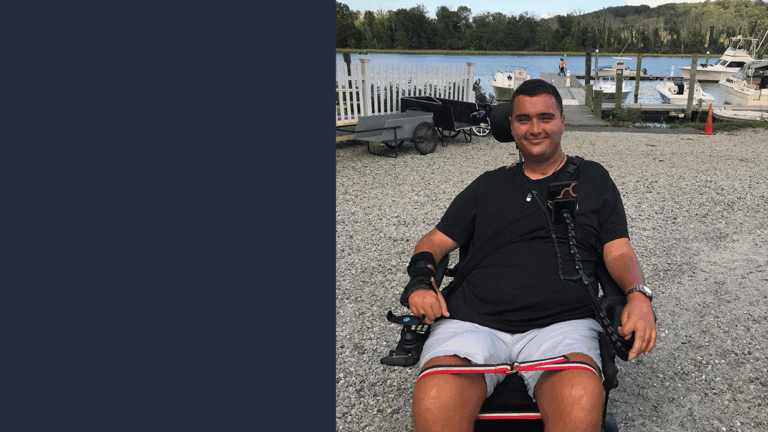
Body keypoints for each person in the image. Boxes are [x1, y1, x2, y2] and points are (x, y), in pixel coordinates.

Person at [400, 78, 657, 432]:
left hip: (561, 323)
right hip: (473, 320)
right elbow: (435, 241)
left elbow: (618, 251)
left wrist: (638, 295)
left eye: (545, 118)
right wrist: (420, 282)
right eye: (523, 119)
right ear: (511, 126)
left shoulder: (593, 179)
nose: (535, 129)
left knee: (580, 399)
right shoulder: (487, 185)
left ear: (562, 122)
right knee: (435, 400)